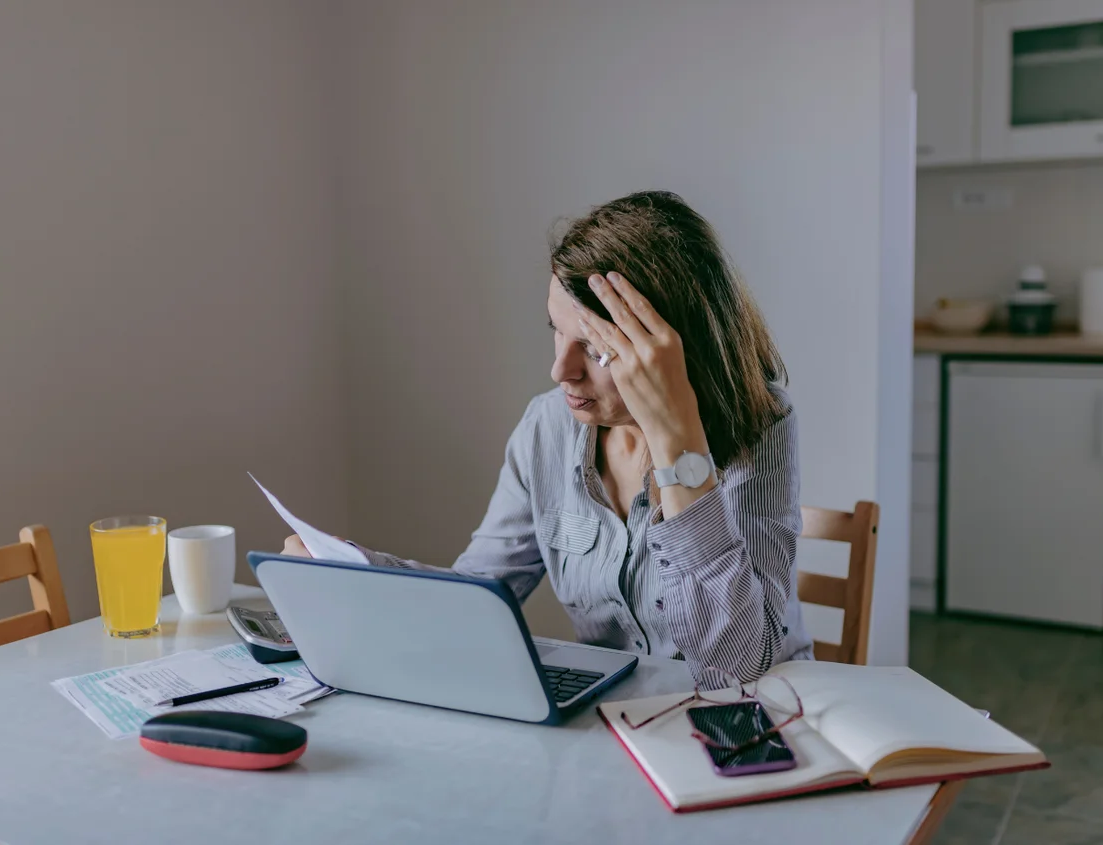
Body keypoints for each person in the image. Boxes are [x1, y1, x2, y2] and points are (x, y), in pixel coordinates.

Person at [284, 190, 812, 683]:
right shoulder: (547, 428)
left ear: (671, 353)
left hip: (753, 719)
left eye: (595, 349)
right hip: (620, 724)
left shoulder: (759, 425)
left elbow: (738, 664)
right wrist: (351, 567)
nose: (560, 370)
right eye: (556, 331)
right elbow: (479, 596)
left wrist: (676, 439)